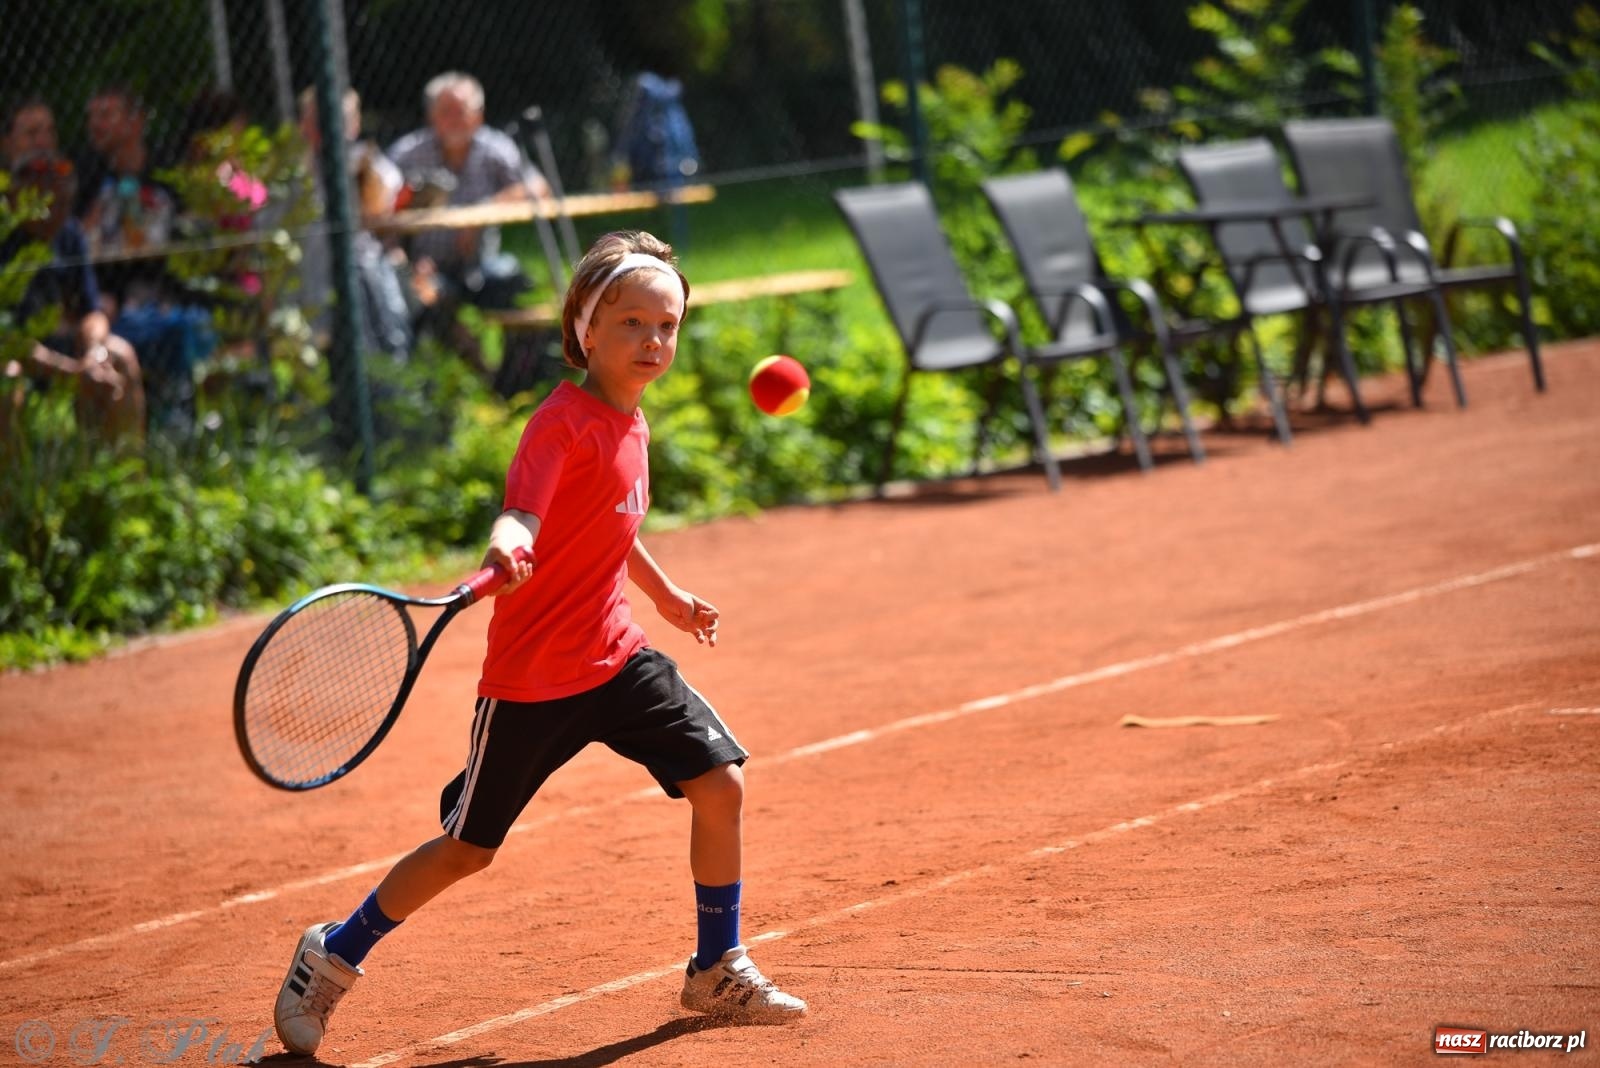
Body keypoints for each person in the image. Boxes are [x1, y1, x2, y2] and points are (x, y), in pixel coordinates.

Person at [271, 230, 807, 1056]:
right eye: (632, 324)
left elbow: (612, 523)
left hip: (618, 657)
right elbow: (527, 508)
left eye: (667, 326)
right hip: (532, 682)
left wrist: (662, 597)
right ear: (586, 330)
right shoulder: (559, 424)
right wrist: (508, 544)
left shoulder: (633, 423)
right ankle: (332, 955)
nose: (653, 342)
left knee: (720, 783)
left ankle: (716, 965)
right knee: (465, 851)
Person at [387, 71, 551, 376]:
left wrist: (482, 213)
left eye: (461, 111)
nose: (454, 120)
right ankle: (481, 379)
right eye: (445, 112)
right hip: (424, 266)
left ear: (478, 115)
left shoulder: (493, 147)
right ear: (431, 116)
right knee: (433, 305)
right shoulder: (407, 154)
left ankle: (516, 382)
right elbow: (379, 209)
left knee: (523, 290)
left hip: (479, 265)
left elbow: (537, 186)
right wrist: (403, 261)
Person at [2, 127, 145, 443]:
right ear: (15, 197)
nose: (56, 213)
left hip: (61, 349)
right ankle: (15, 488)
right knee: (6, 376)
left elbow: (91, 312)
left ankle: (125, 479)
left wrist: (94, 354)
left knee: (119, 355)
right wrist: (70, 372)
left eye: (64, 203)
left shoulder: (68, 234)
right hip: (16, 354)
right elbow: (6, 340)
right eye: (46, 203)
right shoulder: (5, 236)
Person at [297, 85, 413, 359]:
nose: (326, 129)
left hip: (364, 274)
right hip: (308, 281)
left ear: (355, 124)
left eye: (337, 120)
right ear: (303, 125)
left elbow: (389, 211)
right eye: (317, 120)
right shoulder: (292, 174)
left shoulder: (369, 163)